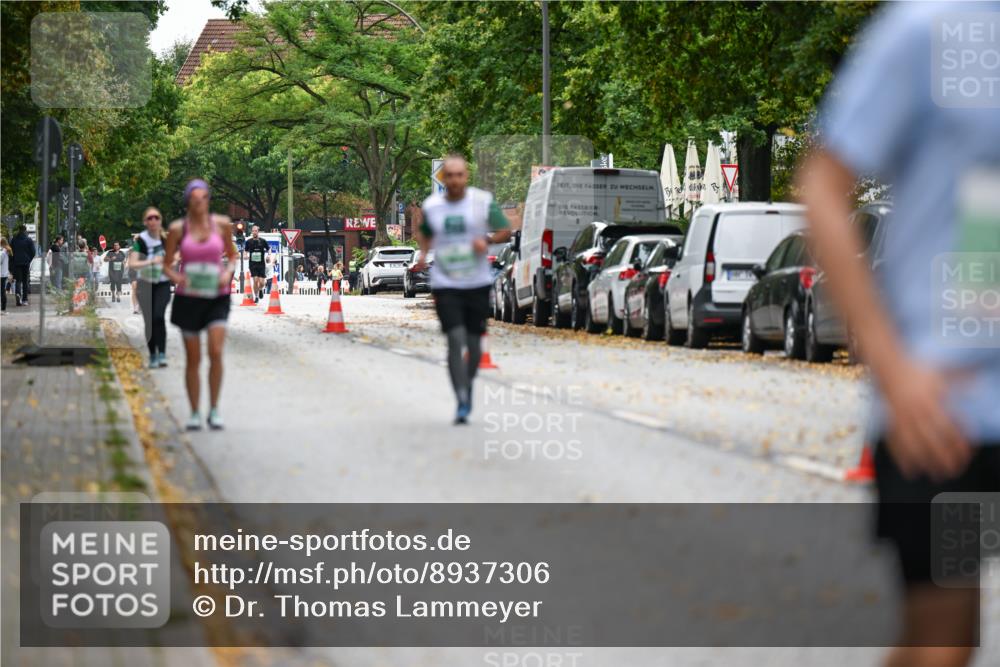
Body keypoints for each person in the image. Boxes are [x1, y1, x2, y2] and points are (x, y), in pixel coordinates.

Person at [798, 4, 1000, 666]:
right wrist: (895, 370)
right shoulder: (929, 30)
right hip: (952, 409)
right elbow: (822, 188)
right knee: (943, 640)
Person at [415, 154, 512, 424]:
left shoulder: (482, 201)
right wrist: (423, 253)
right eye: (450, 175)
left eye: (460, 175)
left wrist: (487, 240)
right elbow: (425, 232)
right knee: (455, 339)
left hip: (476, 282)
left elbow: (505, 230)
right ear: (443, 178)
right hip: (445, 283)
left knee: (474, 346)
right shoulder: (432, 206)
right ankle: (460, 398)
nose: (455, 180)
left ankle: (466, 386)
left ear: (466, 177)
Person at [163, 179, 237, 431]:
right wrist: (178, 278)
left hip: (217, 295)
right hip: (189, 298)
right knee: (193, 359)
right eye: (195, 199)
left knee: (215, 351)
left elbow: (233, 255)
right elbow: (166, 265)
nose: (200, 203)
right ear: (188, 202)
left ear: (209, 200)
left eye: (204, 198)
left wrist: (227, 273)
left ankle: (214, 409)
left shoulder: (222, 224)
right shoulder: (177, 229)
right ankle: (195, 412)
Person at [131, 208, 171, 368]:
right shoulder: (141, 240)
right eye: (149, 218)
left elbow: (177, 254)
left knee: (158, 317)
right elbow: (133, 263)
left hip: (162, 283)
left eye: (156, 218)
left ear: (160, 221)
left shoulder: (166, 239)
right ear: (145, 222)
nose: (153, 220)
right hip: (145, 284)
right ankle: (153, 355)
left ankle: (162, 354)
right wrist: (150, 261)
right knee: (149, 320)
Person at [244, 225, 269, 302]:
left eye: (256, 231)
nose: (254, 232)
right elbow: (245, 250)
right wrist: (245, 255)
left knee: (261, 282)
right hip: (253, 264)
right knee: (255, 280)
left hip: (261, 264)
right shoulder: (248, 242)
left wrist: (269, 255)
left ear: (258, 232)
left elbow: (269, 249)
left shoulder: (263, 241)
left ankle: (260, 289)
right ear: (252, 232)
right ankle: (256, 296)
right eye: (253, 231)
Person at [10, 225, 35, 306]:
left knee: (18, 280)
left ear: (19, 230)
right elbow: (33, 252)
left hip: (17, 263)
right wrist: (28, 259)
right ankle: (25, 300)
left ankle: (18, 294)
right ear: (25, 230)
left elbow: (11, 252)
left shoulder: (14, 239)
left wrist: (13, 261)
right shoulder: (29, 240)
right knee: (25, 281)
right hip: (25, 263)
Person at [127, 233, 140, 314]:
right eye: (136, 239)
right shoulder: (131, 249)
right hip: (133, 271)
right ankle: (135, 307)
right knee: (134, 288)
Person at [0, 237, 10, 314]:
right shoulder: (6, 251)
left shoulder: (2, 253)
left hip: (1, 274)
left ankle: (3, 309)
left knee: (2, 292)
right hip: (4, 274)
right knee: (2, 291)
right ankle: (3, 309)